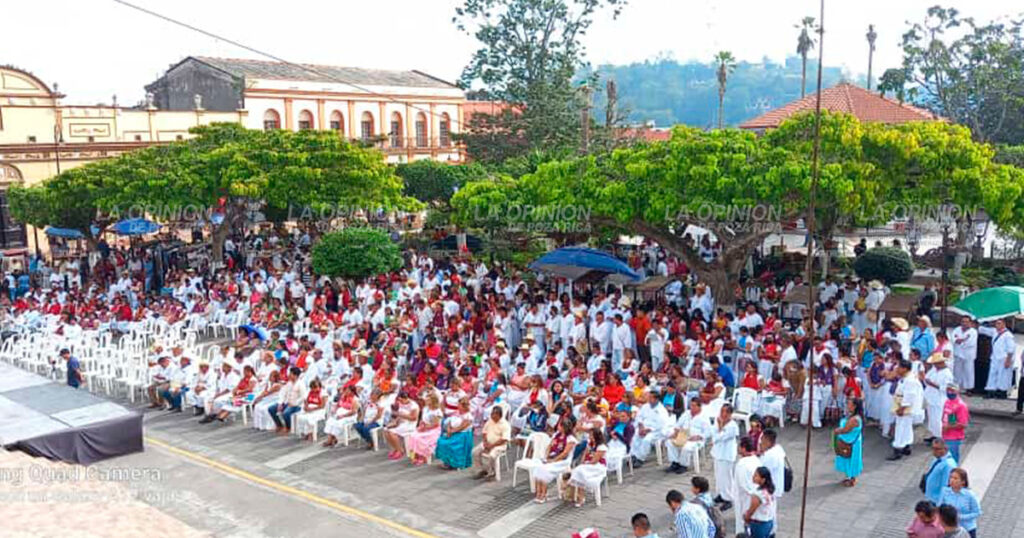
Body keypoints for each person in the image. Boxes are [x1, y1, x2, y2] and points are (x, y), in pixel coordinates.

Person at [532, 418, 578, 503]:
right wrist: (546, 457)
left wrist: (553, 460)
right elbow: (549, 446)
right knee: (538, 467)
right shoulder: (556, 434)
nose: (558, 426)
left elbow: (565, 453)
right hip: (552, 457)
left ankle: (544, 494)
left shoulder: (570, 439)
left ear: (563, 427)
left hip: (562, 461)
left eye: (560, 425)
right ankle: (538, 492)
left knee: (544, 470)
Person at [888, 359, 923, 461]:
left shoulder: (910, 380)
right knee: (906, 427)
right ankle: (906, 446)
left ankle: (898, 448)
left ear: (905, 369)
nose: (897, 369)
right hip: (902, 405)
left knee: (901, 428)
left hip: (905, 408)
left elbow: (909, 396)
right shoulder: (905, 378)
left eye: (899, 367)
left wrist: (902, 408)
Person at [567, 429, 608, 507]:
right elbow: (584, 455)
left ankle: (580, 496)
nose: (590, 437)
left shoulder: (602, 447)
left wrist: (585, 464)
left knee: (579, 471)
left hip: (598, 466)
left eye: (591, 435)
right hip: (588, 465)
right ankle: (580, 497)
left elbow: (595, 460)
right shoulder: (590, 444)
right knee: (580, 471)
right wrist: (583, 462)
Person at [710, 403, 739, 511]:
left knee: (726, 477)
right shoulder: (717, 422)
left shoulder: (733, 426)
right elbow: (714, 435)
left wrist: (721, 427)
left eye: (726, 412)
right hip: (717, 453)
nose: (723, 414)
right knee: (718, 475)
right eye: (722, 411)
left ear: (731, 414)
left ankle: (728, 498)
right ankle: (720, 495)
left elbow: (720, 437)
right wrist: (719, 428)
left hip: (727, 455)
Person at [937, 468, 981, 538]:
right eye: (951, 477)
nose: (952, 480)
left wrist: (961, 517)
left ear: (963, 482)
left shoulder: (970, 495)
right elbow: (939, 507)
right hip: (950, 528)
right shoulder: (945, 491)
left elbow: (977, 512)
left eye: (955, 478)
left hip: (967, 528)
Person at [435, 397, 474, 469]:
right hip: (453, 432)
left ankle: (455, 463)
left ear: (464, 406)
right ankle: (447, 461)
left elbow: (462, 427)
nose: (458, 406)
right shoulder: (456, 413)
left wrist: (452, 431)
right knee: (441, 441)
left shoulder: (468, 416)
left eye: (459, 405)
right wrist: (448, 429)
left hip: (462, 435)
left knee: (450, 444)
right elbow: (450, 422)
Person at [733, 436, 762, 535]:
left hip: (745, 500)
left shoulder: (742, 465)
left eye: (739, 446)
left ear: (743, 448)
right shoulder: (756, 460)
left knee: (744, 527)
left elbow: (745, 486)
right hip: (752, 498)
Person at [922, 352, 954, 444]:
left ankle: (941, 438)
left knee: (938, 419)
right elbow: (927, 378)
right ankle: (934, 435)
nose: (934, 365)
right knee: (932, 419)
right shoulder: (934, 370)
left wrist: (933, 385)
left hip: (939, 399)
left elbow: (948, 388)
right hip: (930, 397)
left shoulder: (947, 374)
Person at [981, 319, 1016, 400]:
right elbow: (984, 330)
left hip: (1004, 358)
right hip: (995, 357)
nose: (997, 325)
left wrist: (1008, 360)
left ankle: (1002, 392)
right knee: (992, 374)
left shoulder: (1008, 335)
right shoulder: (995, 332)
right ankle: (991, 391)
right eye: (996, 323)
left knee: (1003, 376)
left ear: (1004, 324)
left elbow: (1011, 349)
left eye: (999, 323)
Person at [473, 406, 511, 480]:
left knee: (492, 456)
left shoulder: (505, 425)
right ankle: (481, 470)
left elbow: (504, 439)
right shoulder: (490, 421)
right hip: (488, 443)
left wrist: (492, 445)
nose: (492, 416)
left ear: (499, 415)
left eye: (495, 415)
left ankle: (491, 472)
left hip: (499, 446)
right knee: (475, 452)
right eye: (492, 414)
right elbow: (484, 432)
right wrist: (485, 442)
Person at [406, 391, 444, 465]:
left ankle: (422, 456)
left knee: (419, 438)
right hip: (425, 427)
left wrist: (425, 428)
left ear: (433, 401)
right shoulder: (425, 408)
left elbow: (436, 424)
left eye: (428, 400)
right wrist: (421, 426)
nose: (426, 401)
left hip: (434, 430)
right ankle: (415, 455)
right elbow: (422, 420)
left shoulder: (437, 412)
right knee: (413, 436)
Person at [833, 397, 864, 487]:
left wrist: (837, 431)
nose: (847, 406)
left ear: (854, 406)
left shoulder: (854, 419)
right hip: (850, 441)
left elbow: (846, 430)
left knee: (851, 459)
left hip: (851, 443)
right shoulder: (852, 416)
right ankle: (848, 476)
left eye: (849, 404)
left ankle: (852, 478)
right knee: (848, 459)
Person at [268, 367, 305, 434]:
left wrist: (294, 403)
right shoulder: (289, 383)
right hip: (287, 403)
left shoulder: (301, 384)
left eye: (291, 374)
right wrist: (280, 403)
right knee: (271, 409)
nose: (289, 375)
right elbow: (283, 393)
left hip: (296, 405)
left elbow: (303, 397)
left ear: (295, 375)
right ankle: (279, 425)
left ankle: (288, 427)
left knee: (286, 413)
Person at [743, 466, 776, 538]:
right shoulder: (769, 490)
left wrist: (746, 517)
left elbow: (752, 510)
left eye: (756, 475)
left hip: (759, 524)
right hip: (768, 522)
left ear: (763, 479)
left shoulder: (758, 494)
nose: (753, 477)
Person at [941, 384, 969, 464]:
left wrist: (948, 427)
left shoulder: (961, 406)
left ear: (958, 391)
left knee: (952, 460)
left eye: (952, 390)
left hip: (954, 437)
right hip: (945, 435)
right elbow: (946, 416)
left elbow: (963, 424)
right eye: (948, 390)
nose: (949, 392)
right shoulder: (947, 401)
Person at [923, 439, 957, 504]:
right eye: (933, 448)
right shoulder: (937, 459)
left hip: (937, 501)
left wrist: (940, 504)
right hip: (931, 498)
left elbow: (946, 486)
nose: (934, 451)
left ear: (945, 449)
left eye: (937, 449)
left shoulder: (948, 465)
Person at [759, 429, 786, 506]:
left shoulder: (770, 456)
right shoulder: (778, 449)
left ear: (768, 441)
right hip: (775, 486)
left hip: (770, 488)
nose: (761, 443)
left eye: (762, 440)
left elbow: (762, 470)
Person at [950, 317, 977, 393]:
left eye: (966, 322)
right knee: (957, 371)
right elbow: (953, 338)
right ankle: (956, 387)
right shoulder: (957, 329)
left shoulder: (973, 332)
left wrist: (960, 341)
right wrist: (961, 340)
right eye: (963, 321)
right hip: (958, 353)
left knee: (968, 372)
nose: (964, 323)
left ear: (970, 323)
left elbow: (970, 343)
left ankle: (969, 388)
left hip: (968, 355)